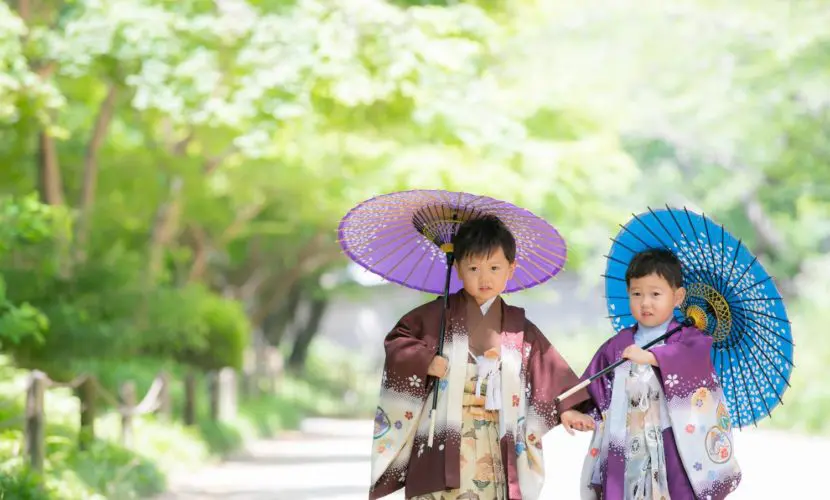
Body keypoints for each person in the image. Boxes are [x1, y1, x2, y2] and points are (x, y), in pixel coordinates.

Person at [369, 215, 594, 500]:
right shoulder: (434, 316)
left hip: (494, 434)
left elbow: (548, 371)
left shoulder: (518, 326)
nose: (484, 277)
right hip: (443, 434)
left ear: (510, 269)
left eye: (494, 267)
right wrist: (425, 360)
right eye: (473, 267)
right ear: (458, 269)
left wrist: (567, 409)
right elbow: (398, 343)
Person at [579, 248, 741, 499]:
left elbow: (693, 361)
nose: (645, 302)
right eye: (637, 293)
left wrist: (654, 357)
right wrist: (574, 410)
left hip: (671, 442)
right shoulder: (619, 344)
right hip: (625, 440)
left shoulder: (689, 339)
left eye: (655, 294)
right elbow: (594, 383)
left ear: (678, 297)